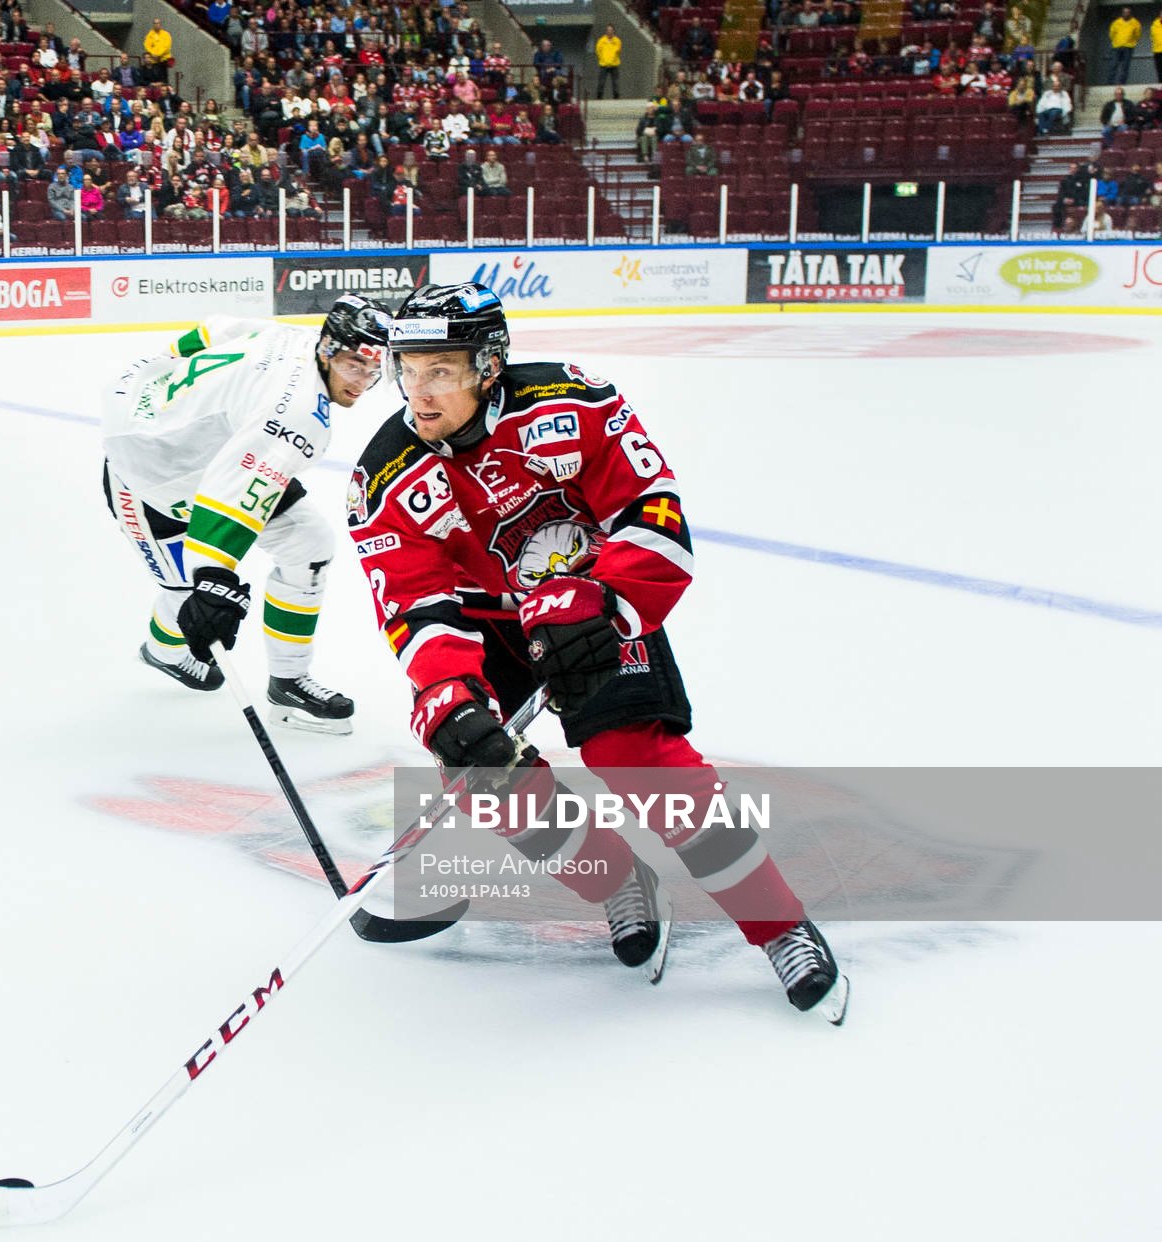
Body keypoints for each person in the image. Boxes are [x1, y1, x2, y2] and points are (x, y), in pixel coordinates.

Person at [344, 284, 849, 1019]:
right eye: (407, 371)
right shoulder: (382, 478)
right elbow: (417, 606)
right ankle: (619, 882)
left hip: (592, 599)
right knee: (486, 773)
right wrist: (448, 695)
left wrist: (605, 602)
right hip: (490, 626)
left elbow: (654, 511)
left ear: (489, 365)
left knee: (635, 758)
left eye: (441, 372)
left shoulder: (571, 403)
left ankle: (780, 927)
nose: (418, 394)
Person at [100, 297, 393, 733]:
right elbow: (229, 494)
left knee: (308, 544)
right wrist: (213, 578)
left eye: (374, 371)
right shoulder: (296, 416)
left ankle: (289, 680)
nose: (362, 381)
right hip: (147, 476)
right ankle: (162, 651)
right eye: (354, 365)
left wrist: (168, 365)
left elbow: (211, 331)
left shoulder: (293, 336)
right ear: (329, 349)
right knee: (186, 597)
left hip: (202, 444)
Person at [1109, 8, 1140, 84]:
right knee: (1113, 65)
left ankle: (1122, 83)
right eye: (1124, 12)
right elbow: (1111, 34)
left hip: (1128, 47)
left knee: (1125, 67)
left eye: (1128, 12)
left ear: (1130, 13)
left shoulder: (1135, 23)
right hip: (1116, 47)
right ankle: (1110, 82)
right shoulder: (1116, 22)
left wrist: (1132, 43)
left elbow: (1137, 35)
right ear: (1122, 13)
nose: (1126, 14)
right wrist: (1116, 42)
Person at [595, 25, 623, 100]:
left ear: (613, 31)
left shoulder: (617, 41)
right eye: (608, 30)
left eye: (611, 30)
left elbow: (618, 51)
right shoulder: (601, 41)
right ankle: (599, 97)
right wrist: (603, 59)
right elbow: (598, 51)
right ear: (606, 31)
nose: (609, 32)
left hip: (614, 64)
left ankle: (616, 97)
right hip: (604, 64)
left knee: (615, 83)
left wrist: (613, 59)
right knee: (601, 82)